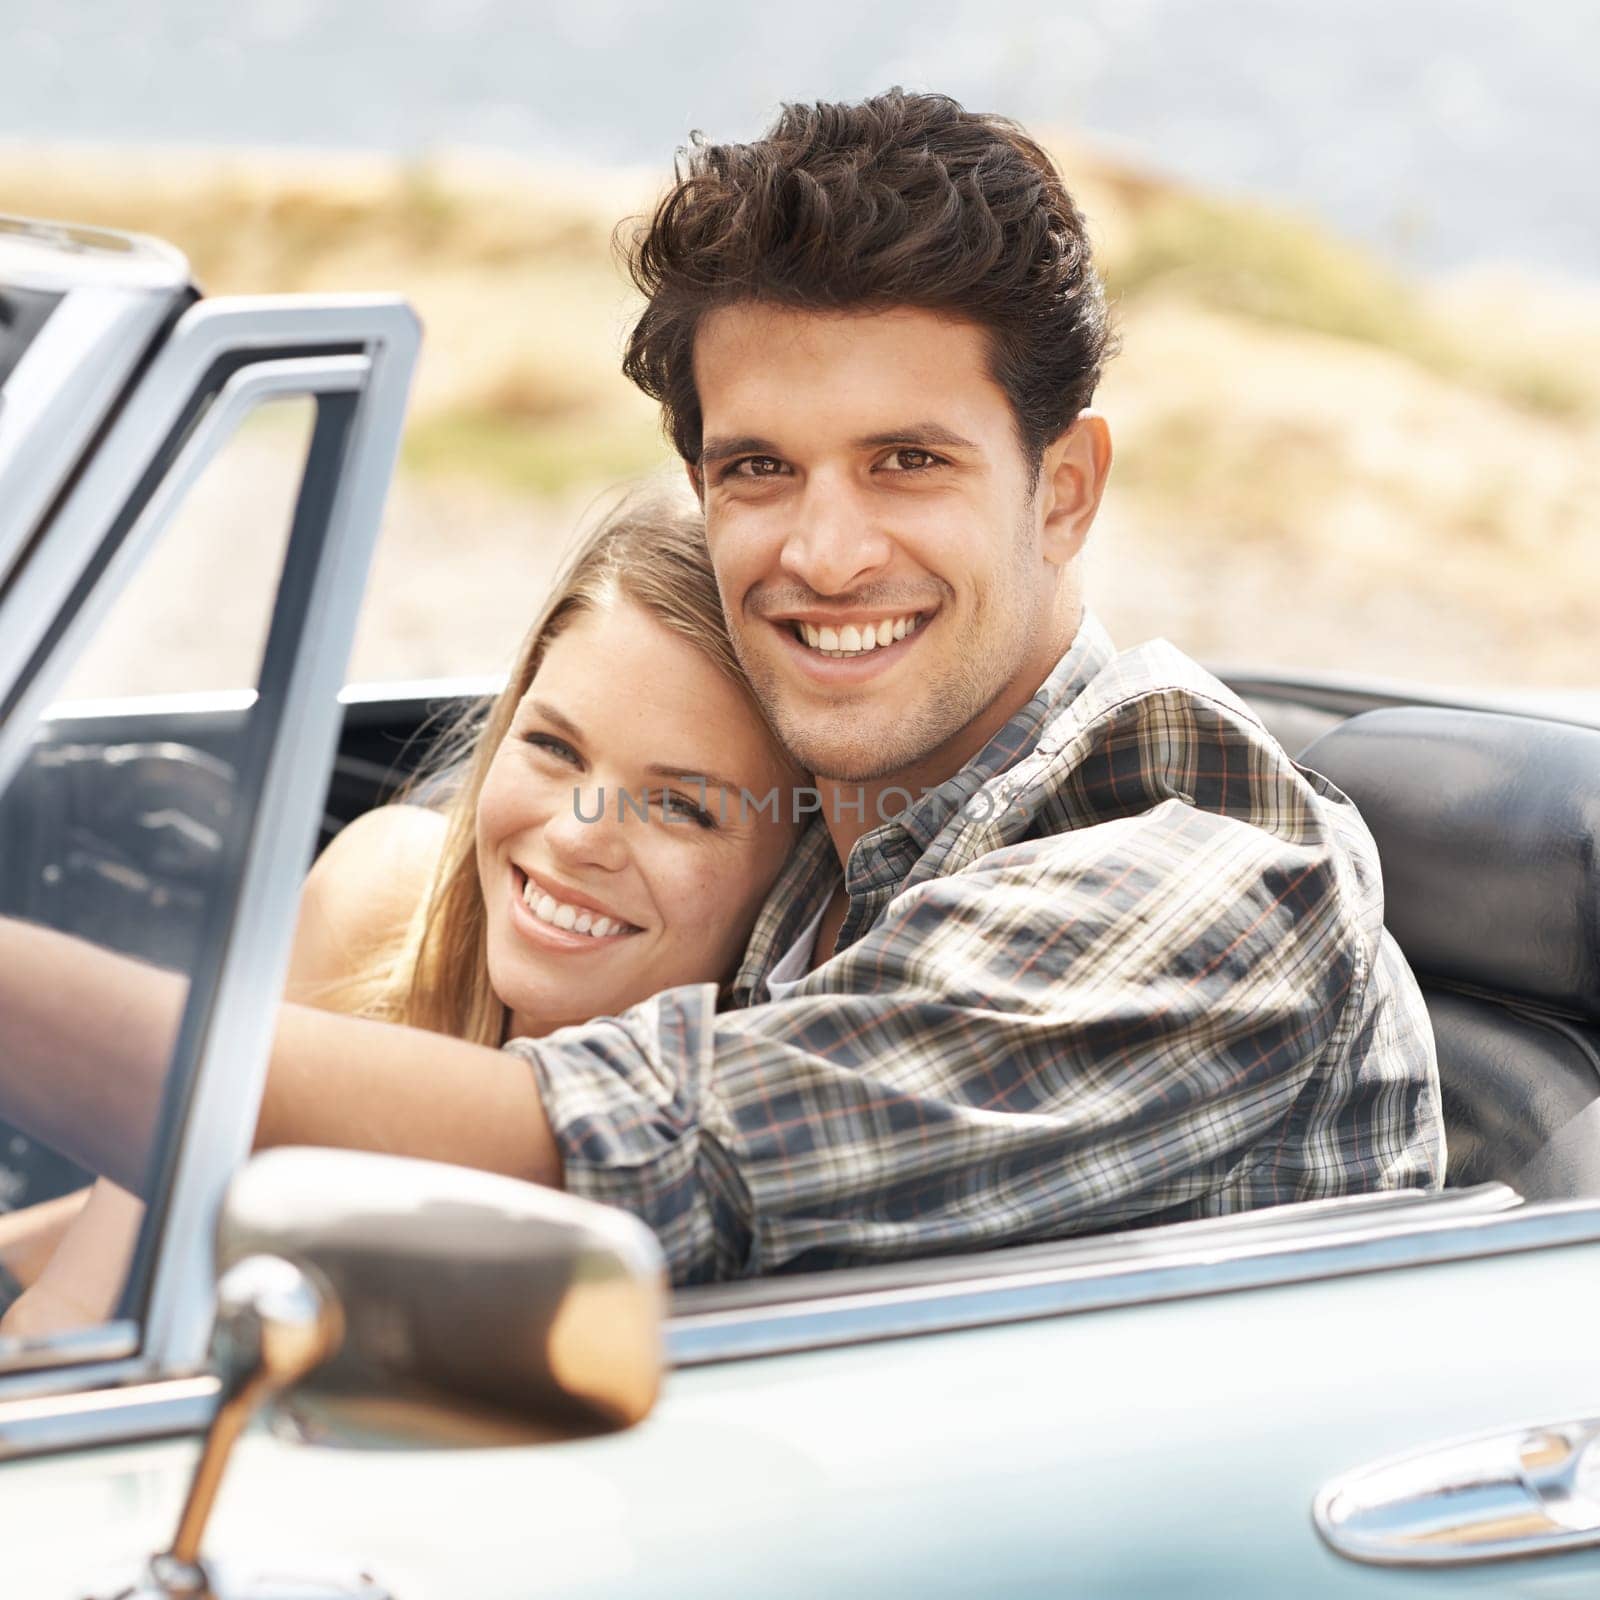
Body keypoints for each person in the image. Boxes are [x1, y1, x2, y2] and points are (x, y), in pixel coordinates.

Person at [0, 89, 1444, 1298]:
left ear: (1062, 491)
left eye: (908, 461)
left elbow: (641, 1149)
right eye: (759, 467)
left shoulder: (1207, 881)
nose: (822, 553)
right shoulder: (822, 828)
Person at [0, 488, 801, 1334]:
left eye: (681, 806)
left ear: (789, 875)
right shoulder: (383, 905)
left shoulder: (751, 1146)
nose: (574, 836)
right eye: (552, 747)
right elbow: (77, 1309)